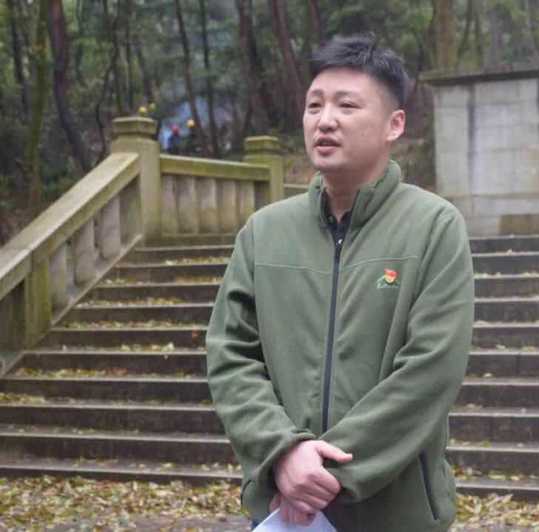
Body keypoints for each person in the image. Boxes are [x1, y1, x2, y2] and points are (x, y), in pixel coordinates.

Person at [206, 34, 474, 532]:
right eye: (315, 105)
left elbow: (431, 368)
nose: (325, 120)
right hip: (286, 513)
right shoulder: (265, 233)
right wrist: (282, 453)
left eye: (346, 106)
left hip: (397, 515)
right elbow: (231, 356)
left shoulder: (433, 227)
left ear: (395, 124)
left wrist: (322, 475)